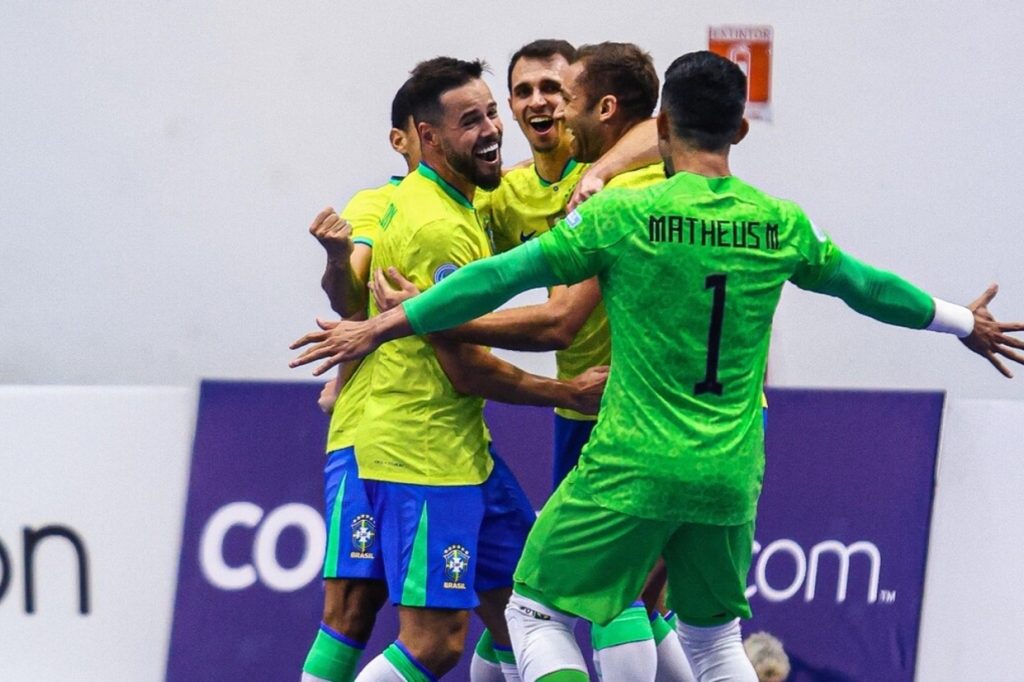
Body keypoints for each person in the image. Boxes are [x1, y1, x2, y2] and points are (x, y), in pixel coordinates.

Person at [289, 50, 1024, 681]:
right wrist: (962, 320)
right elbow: (869, 287)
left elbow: (501, 277)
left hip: (632, 460)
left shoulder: (623, 216)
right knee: (716, 643)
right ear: (740, 131)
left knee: (534, 611)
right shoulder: (781, 223)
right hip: (730, 469)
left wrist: (386, 324)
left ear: (662, 128)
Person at [373, 41, 690, 682]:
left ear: (582, 103)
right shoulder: (505, 196)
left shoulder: (619, 176)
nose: (539, 102)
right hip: (582, 408)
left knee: (601, 588)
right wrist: (366, 331)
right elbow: (430, 202)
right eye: (521, 93)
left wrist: (425, 318)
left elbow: (659, 130)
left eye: (554, 88)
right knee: (543, 600)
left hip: (639, 402)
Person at [319, 56, 608, 682]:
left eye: (491, 114)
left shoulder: (438, 201)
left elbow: (358, 302)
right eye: (470, 121)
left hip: (461, 448)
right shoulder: (441, 229)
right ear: (425, 137)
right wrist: (567, 391)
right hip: (424, 450)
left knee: (526, 610)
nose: (492, 130)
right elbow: (466, 370)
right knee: (435, 643)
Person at [300, 80, 421, 682]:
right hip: (372, 430)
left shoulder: (487, 198)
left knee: (505, 610)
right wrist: (335, 256)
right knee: (353, 607)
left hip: (448, 434)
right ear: (402, 139)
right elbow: (349, 295)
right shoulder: (381, 201)